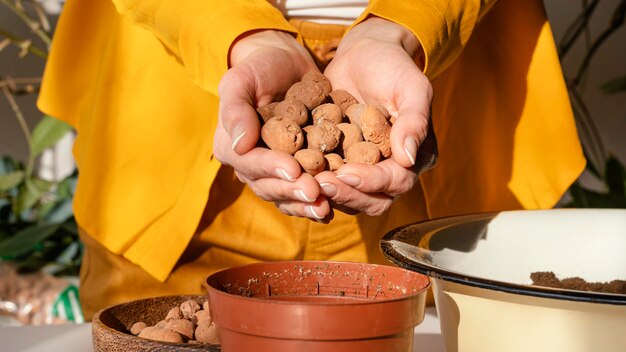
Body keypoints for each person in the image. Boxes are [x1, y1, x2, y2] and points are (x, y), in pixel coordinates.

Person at [38, 0, 585, 319]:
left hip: (442, 89)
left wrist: (402, 26)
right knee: (156, 324)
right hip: (171, 106)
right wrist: (242, 37)